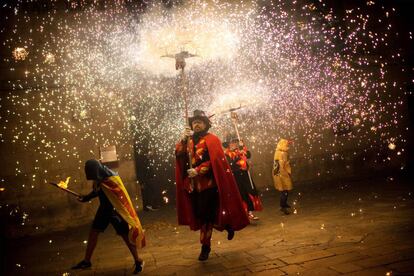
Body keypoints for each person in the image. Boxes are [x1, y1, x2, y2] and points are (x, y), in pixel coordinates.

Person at [175, 110, 249, 261]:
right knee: (204, 215)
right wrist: (183, 140)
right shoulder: (188, 140)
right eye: (194, 122)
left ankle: (205, 247)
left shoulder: (212, 139)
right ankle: (226, 225)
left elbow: (215, 162)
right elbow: (178, 154)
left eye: (200, 122)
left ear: (206, 124)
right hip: (193, 186)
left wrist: (197, 170)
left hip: (209, 185)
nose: (196, 124)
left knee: (206, 216)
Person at [72, 159, 145, 274]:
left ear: (96, 170)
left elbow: (117, 195)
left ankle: (138, 261)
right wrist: (86, 197)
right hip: (104, 209)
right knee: (93, 233)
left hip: (116, 210)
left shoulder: (111, 177)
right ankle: (87, 261)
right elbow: (99, 191)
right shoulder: (99, 177)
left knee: (126, 235)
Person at [223, 134, 263, 220]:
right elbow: (230, 165)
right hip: (235, 177)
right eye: (233, 142)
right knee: (241, 195)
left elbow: (248, 155)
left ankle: (249, 212)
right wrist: (239, 160)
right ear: (228, 144)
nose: (235, 144)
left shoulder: (239, 150)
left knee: (249, 192)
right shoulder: (226, 154)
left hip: (244, 175)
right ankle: (242, 214)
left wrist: (243, 148)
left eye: (236, 142)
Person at [272, 139, 293, 215]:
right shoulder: (281, 153)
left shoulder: (279, 152)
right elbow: (283, 164)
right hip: (281, 173)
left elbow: (278, 164)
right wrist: (287, 172)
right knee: (285, 190)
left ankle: (284, 204)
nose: (287, 146)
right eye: (287, 144)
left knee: (284, 190)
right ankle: (283, 206)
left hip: (279, 173)